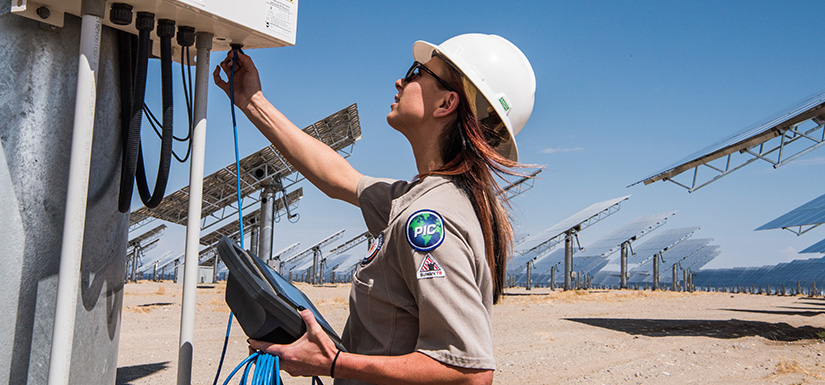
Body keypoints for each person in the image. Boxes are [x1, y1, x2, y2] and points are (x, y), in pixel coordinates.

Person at [213, 33, 536, 385]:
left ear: (446, 102)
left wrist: (333, 363)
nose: (401, 80)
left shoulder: (428, 219)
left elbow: (468, 373)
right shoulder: (419, 199)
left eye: (416, 72)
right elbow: (339, 177)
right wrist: (252, 101)